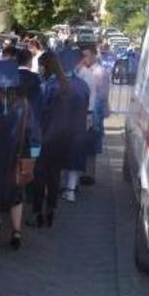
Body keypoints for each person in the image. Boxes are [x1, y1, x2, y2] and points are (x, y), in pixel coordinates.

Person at [0, 61, 40, 251]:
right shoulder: (23, 103)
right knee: (16, 195)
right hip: (17, 154)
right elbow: (33, 132)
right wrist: (34, 155)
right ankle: (16, 233)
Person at [31, 51, 89, 226]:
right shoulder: (82, 86)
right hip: (66, 138)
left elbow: (38, 114)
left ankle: (37, 213)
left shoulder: (48, 86)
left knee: (40, 176)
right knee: (54, 175)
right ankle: (51, 210)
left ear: (46, 66)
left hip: (44, 137)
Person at [76, 45, 110, 187]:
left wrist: (94, 115)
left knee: (92, 144)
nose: (85, 58)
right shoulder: (80, 70)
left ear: (95, 55)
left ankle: (89, 174)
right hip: (80, 111)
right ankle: (79, 173)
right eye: (83, 56)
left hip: (94, 112)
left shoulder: (100, 72)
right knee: (79, 144)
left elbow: (102, 96)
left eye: (88, 55)